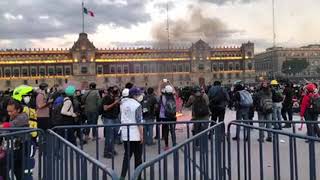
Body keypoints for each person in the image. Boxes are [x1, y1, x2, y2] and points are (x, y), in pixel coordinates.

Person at [1, 100, 36, 180]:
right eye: (8, 111)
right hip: (14, 149)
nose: (9, 113)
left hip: (24, 148)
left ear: (18, 110)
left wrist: (2, 127)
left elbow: (11, 125)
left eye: (11, 111)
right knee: (5, 170)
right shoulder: (13, 116)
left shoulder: (23, 116)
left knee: (23, 174)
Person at [119, 87, 144, 180]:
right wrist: (142, 135)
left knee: (127, 156)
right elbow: (139, 121)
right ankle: (138, 177)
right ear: (134, 95)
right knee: (138, 157)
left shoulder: (123, 104)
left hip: (126, 133)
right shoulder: (137, 105)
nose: (140, 96)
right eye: (138, 94)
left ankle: (122, 176)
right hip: (135, 134)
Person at [101, 86, 121, 158]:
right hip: (108, 118)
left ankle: (111, 149)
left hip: (115, 118)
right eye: (115, 91)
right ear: (111, 91)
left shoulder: (115, 98)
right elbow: (105, 108)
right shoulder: (107, 98)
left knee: (115, 135)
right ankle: (107, 152)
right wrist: (114, 103)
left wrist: (118, 103)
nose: (117, 92)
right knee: (109, 136)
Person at [159, 85, 177, 150]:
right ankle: (174, 143)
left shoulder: (162, 97)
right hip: (173, 116)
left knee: (166, 131)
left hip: (165, 116)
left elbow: (160, 105)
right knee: (172, 131)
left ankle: (166, 145)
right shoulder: (174, 97)